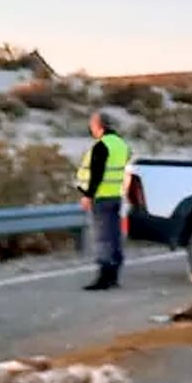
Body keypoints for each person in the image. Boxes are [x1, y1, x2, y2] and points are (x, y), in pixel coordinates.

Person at [74, 111, 131, 290]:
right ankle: (114, 276)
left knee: (102, 238)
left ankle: (103, 278)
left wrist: (87, 195)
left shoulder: (101, 146)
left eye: (92, 125)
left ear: (99, 126)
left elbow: (97, 174)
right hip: (116, 195)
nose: (91, 129)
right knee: (114, 236)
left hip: (101, 198)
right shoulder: (122, 145)